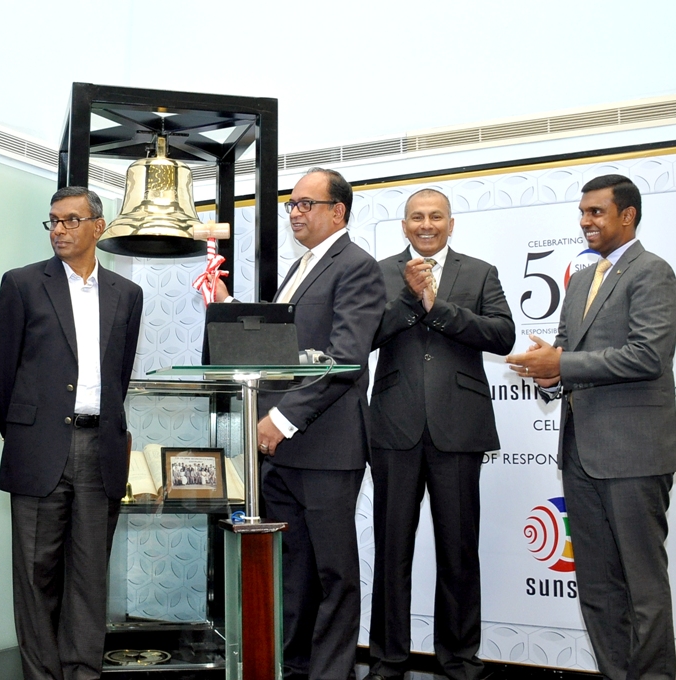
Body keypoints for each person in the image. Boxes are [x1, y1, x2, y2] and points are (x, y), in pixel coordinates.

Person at [214, 167, 385, 680]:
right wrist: (227, 312)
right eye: (292, 204)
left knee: (334, 572)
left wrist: (282, 418)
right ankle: (294, 663)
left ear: (339, 211)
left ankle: (332, 673)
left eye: (307, 204)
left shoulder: (356, 265)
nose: (295, 212)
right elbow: (281, 349)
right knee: (292, 571)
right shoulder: (300, 268)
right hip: (281, 449)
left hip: (326, 445)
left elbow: (345, 359)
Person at [506, 174, 676, 680]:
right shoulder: (581, 278)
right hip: (579, 453)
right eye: (583, 212)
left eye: (597, 212)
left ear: (629, 215)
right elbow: (566, 354)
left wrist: (563, 364)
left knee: (640, 586)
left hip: (633, 455)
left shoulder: (653, 272)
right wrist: (546, 373)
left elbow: (648, 355)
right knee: (598, 584)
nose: (586, 221)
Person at [0, 186, 143, 680]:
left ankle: (82, 672)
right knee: (36, 575)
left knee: (89, 574)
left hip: (102, 449)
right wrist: (26, 433)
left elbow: (119, 373)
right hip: (40, 448)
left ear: (98, 226)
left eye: (71, 221)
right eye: (53, 221)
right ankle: (41, 674)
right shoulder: (21, 284)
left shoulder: (127, 294)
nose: (59, 230)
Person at [365, 189, 514, 680]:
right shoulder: (381, 271)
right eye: (416, 218)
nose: (426, 225)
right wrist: (410, 297)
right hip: (394, 425)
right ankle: (388, 656)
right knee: (391, 551)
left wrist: (437, 305)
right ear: (404, 225)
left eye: (435, 217)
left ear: (451, 224)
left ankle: (459, 656)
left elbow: (501, 335)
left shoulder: (480, 272)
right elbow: (364, 337)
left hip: (459, 426)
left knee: (458, 549)